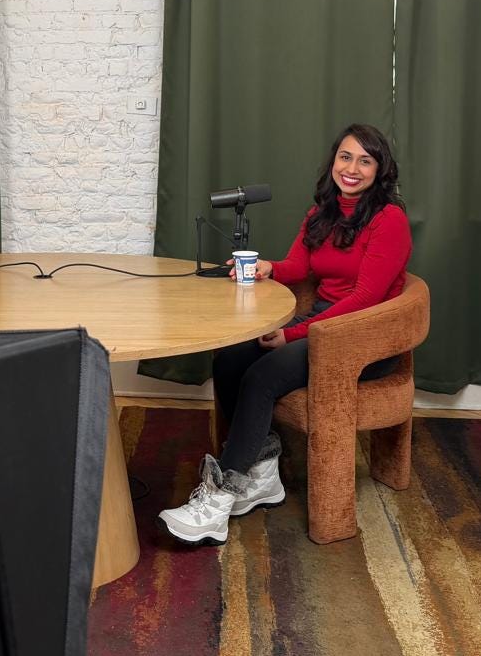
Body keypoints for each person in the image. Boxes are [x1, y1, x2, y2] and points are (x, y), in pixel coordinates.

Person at [158, 122, 411, 546]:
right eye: (345, 157)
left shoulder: (389, 220)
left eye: (365, 161)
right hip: (322, 322)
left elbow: (365, 298)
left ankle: (220, 498)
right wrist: (269, 268)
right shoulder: (322, 213)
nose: (352, 169)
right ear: (333, 161)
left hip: (364, 338)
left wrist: (292, 335)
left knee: (263, 375)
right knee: (231, 358)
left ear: (379, 170)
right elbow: (301, 266)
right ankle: (261, 473)